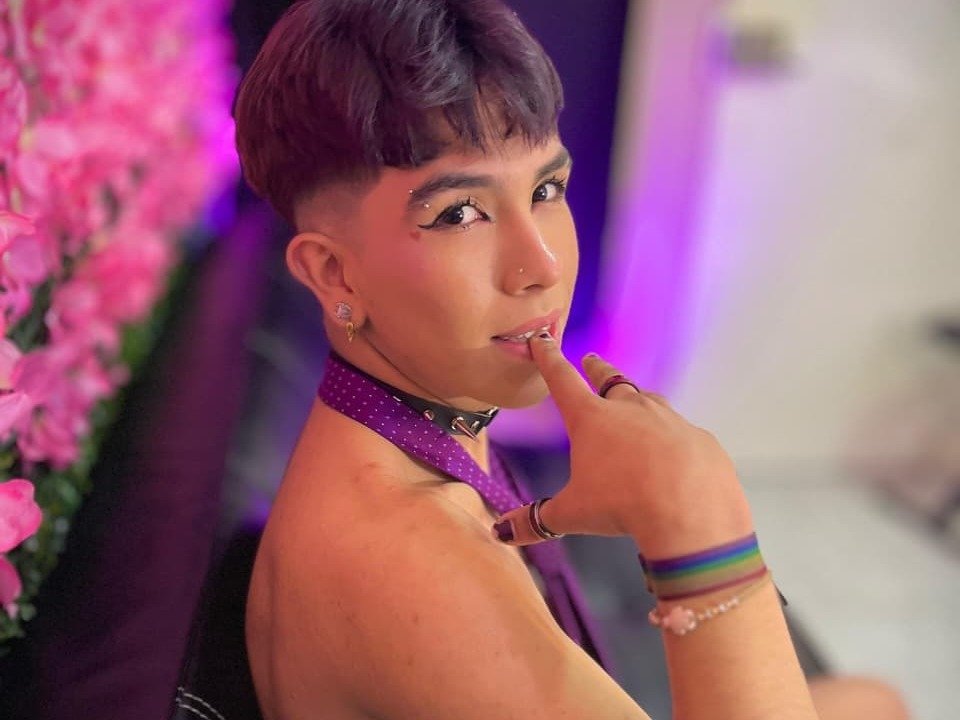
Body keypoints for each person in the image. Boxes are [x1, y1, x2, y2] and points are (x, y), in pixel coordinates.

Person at [231, 1, 912, 718]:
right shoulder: (409, 567)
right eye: (460, 213)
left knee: (873, 702)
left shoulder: (417, 426)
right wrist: (702, 517)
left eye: (545, 190)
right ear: (335, 275)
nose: (543, 265)